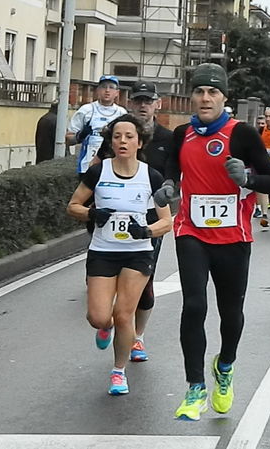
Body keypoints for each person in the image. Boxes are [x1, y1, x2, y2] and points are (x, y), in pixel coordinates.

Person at [153, 63, 270, 421]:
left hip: (233, 236)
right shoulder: (181, 134)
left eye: (213, 92)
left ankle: (225, 366)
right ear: (191, 96)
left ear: (224, 97)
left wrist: (249, 179)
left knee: (230, 313)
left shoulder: (242, 134)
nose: (205, 98)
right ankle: (195, 388)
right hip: (191, 231)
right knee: (193, 306)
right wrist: (169, 186)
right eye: (199, 92)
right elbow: (172, 171)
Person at [66, 114, 172, 395]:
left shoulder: (151, 176)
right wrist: (92, 213)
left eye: (128, 137)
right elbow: (73, 205)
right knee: (100, 317)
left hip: (137, 253)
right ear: (111, 142)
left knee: (124, 315)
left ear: (139, 142)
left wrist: (146, 232)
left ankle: (118, 371)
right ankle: (105, 327)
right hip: (103, 251)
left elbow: (167, 221)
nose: (122, 141)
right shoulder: (99, 172)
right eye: (117, 137)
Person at [95, 80, 174, 362]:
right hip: (111, 218)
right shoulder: (116, 133)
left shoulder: (168, 138)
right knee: (107, 283)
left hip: (150, 221)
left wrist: (170, 188)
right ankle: (106, 321)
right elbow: (97, 166)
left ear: (158, 104)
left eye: (148, 100)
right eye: (138, 100)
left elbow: (176, 173)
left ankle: (137, 336)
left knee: (145, 283)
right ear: (131, 103)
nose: (143, 105)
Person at [66, 75, 127, 176]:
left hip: (113, 168)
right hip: (87, 167)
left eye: (111, 87)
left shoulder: (122, 113)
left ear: (117, 93)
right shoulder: (86, 110)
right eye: (104, 87)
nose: (107, 90)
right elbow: (68, 139)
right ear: (98, 90)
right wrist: (80, 136)